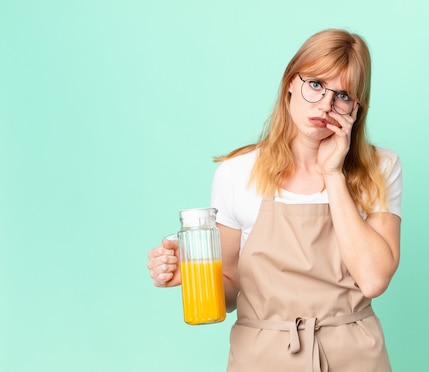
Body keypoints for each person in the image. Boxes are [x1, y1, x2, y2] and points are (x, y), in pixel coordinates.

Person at [147, 28, 402, 371]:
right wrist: (188, 275)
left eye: (342, 95)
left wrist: (333, 175)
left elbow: (373, 280)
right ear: (290, 85)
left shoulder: (380, 168)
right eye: (315, 84)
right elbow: (230, 289)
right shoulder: (237, 173)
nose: (325, 104)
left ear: (356, 108)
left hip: (354, 357)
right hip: (262, 357)